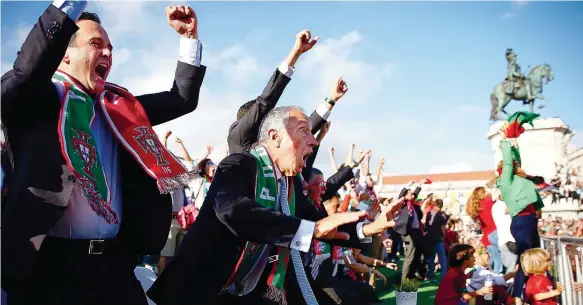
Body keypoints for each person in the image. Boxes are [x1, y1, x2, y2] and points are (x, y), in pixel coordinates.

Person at [0, 2, 205, 304]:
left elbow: (182, 98)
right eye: (96, 44)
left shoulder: (119, 111)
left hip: (114, 266)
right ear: (64, 54)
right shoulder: (36, 100)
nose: (108, 53)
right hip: (48, 270)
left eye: (111, 47)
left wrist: (189, 38)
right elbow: (24, 73)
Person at [147, 106, 398, 305]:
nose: (313, 141)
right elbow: (233, 211)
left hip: (248, 292)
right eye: (304, 131)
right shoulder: (237, 164)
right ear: (275, 136)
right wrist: (308, 230)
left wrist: (367, 229)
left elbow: (320, 224)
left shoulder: (289, 187)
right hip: (199, 291)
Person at [496, 132, 544, 305]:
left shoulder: (518, 179)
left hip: (529, 221)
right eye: (514, 165)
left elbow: (516, 162)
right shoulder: (507, 181)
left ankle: (529, 291)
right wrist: (505, 142)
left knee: (535, 259)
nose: (517, 165)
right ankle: (517, 297)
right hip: (523, 222)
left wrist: (515, 145)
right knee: (526, 260)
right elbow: (510, 162)